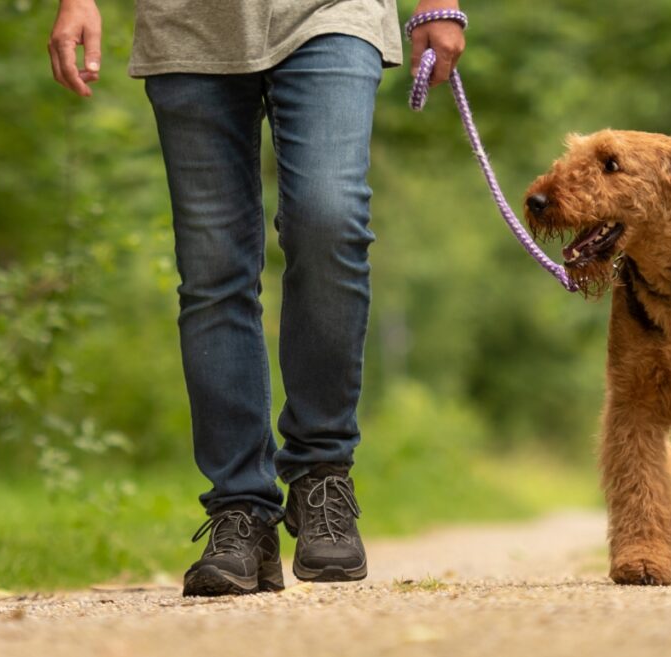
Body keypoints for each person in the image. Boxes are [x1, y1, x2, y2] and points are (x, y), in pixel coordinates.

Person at [48, 0, 465, 596]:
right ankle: (240, 511)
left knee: (330, 219)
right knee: (212, 270)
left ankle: (323, 472)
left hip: (331, 14)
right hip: (187, 24)